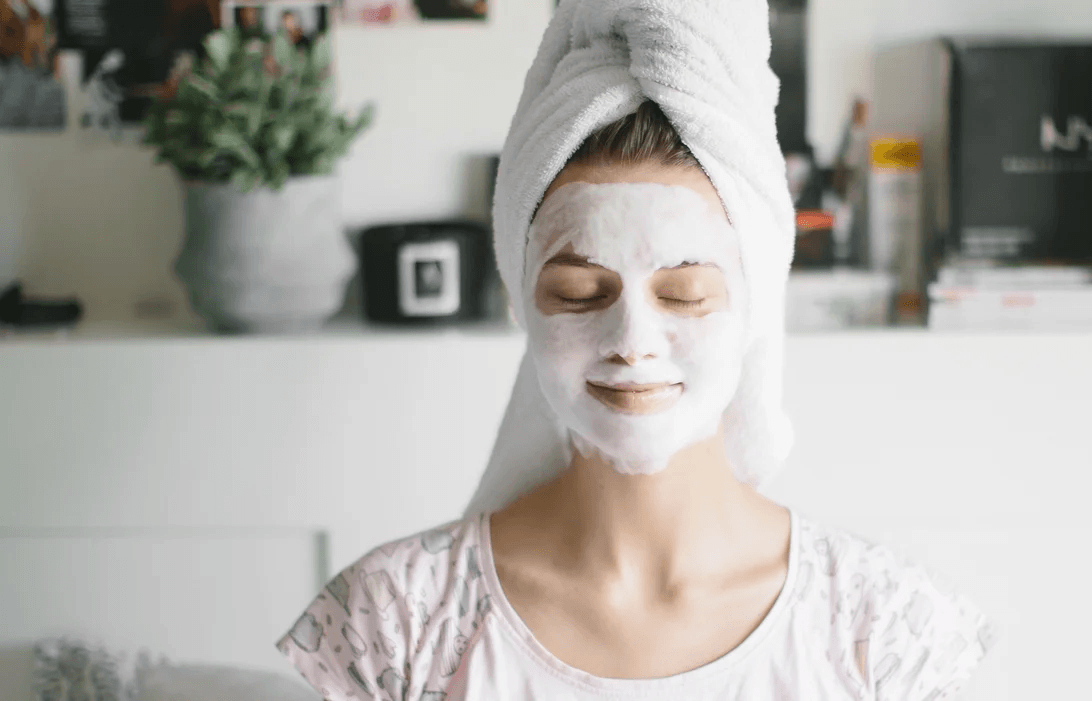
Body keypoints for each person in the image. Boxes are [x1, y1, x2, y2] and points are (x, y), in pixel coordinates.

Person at [277, 1, 994, 699]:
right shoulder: (393, 623)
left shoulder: (885, 634)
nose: (631, 342)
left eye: (683, 294)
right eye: (581, 293)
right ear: (521, 298)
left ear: (753, 305)